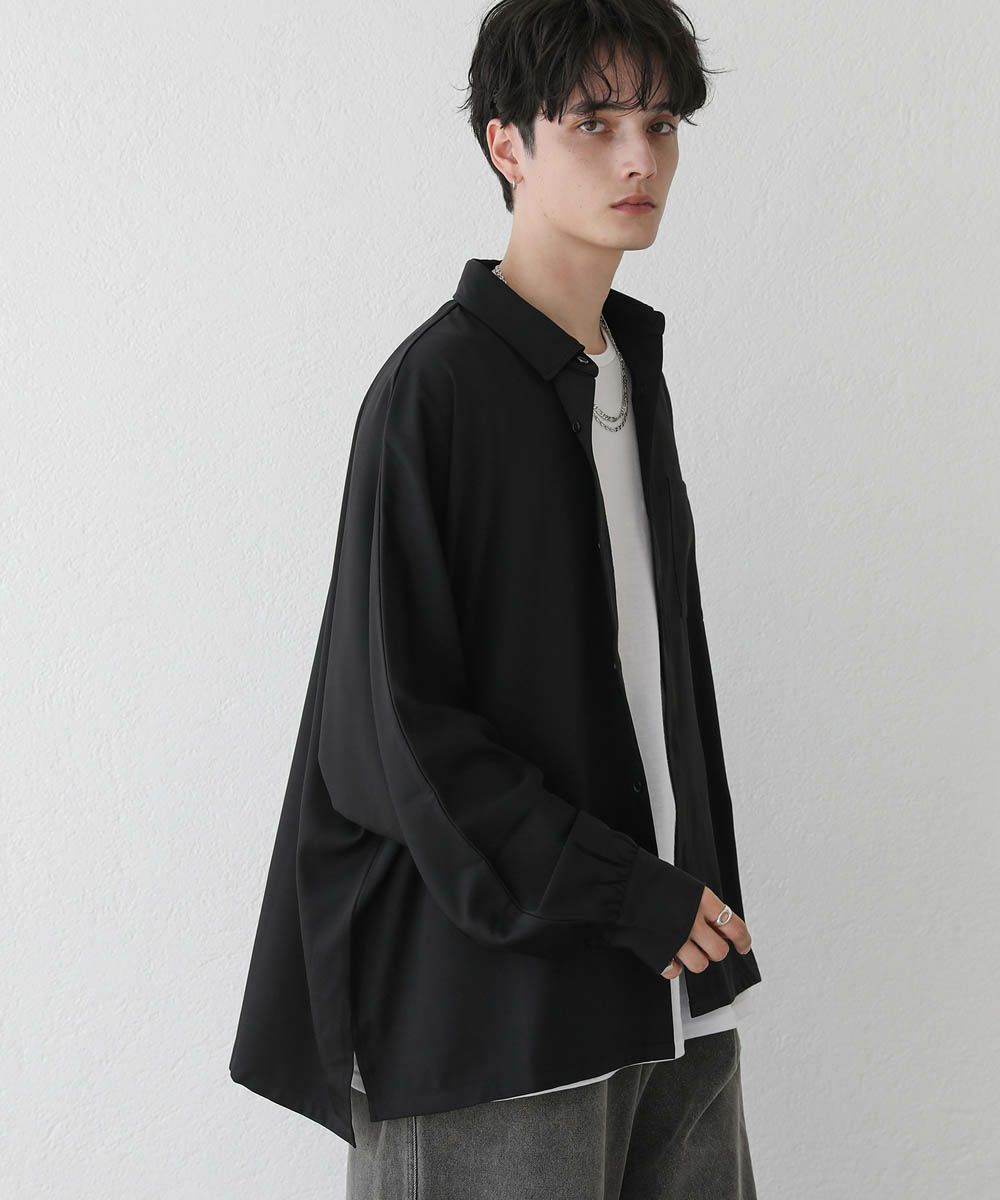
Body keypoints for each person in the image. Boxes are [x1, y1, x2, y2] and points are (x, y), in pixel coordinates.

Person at [230, 2, 763, 1196]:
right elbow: (393, 741)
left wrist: (673, 910)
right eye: (594, 123)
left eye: (660, 123)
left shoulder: (627, 373)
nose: (638, 158)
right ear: (506, 144)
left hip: (671, 998)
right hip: (497, 1028)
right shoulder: (437, 393)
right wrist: (627, 895)